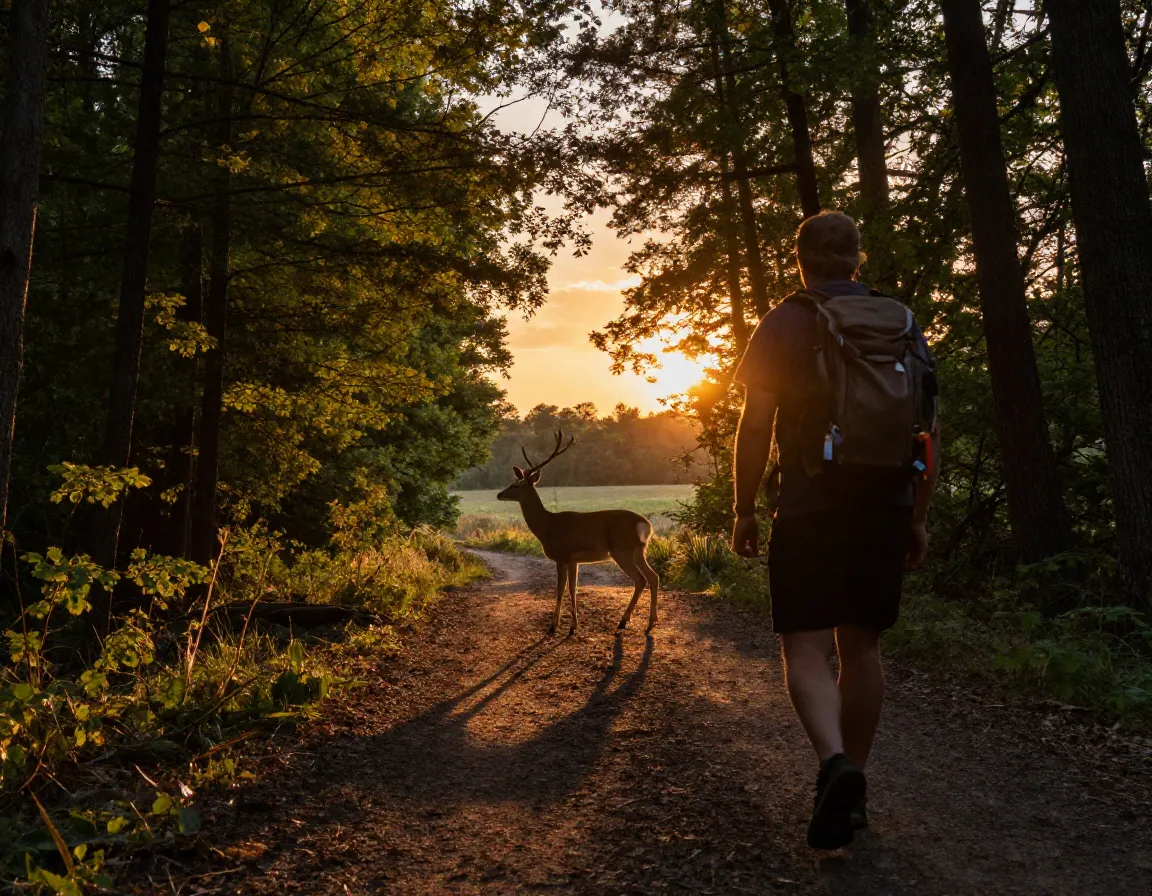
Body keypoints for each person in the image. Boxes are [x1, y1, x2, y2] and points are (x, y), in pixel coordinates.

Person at [730, 211, 939, 851]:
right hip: (886, 502)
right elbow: (927, 430)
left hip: (811, 506)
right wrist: (918, 515)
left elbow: (756, 422)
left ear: (800, 260)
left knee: (806, 646)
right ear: (857, 258)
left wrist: (743, 508)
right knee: (863, 646)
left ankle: (833, 765)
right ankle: (856, 786)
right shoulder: (901, 322)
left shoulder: (786, 319)